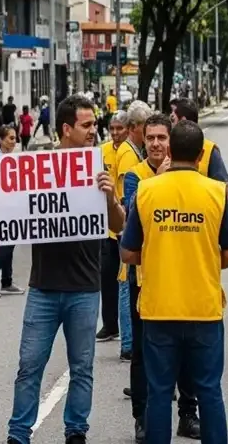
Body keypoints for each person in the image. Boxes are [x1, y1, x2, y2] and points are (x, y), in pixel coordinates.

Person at [6, 94, 124, 444]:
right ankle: (18, 434)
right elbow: (14, 213)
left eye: (94, 125)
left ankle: (76, 432)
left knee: (82, 369)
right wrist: (1, 193)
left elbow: (119, 225)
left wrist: (110, 198)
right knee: (29, 368)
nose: (94, 131)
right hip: (43, 287)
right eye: (86, 125)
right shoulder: (38, 166)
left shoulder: (98, 168)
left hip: (85, 288)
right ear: (65, 129)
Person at [122, 119, 228, 444]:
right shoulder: (216, 193)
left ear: (170, 151)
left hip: (159, 310)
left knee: (159, 392)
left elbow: (128, 253)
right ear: (202, 154)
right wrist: (201, 258)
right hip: (204, 309)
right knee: (209, 391)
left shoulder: (147, 191)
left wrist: (161, 252)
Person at [121, 113, 200, 440]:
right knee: (142, 351)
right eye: (150, 138)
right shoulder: (134, 176)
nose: (155, 144)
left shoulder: (189, 173)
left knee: (187, 350)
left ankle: (187, 413)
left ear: (171, 142)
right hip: (145, 277)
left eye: (161, 138)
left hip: (184, 273)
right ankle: (142, 417)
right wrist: (160, 183)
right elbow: (132, 222)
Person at [99, 111, 129, 356]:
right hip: (106, 227)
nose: (116, 133)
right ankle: (110, 324)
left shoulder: (129, 153)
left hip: (124, 222)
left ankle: (126, 333)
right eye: (113, 128)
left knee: (124, 280)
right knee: (106, 277)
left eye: (120, 128)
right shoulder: (103, 151)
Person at [0, 125, 24, 298]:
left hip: (10, 206)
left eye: (15, 138)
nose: (14, 141)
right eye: (10, 138)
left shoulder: (8, 159)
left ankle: (6, 282)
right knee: (5, 244)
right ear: (0, 140)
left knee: (11, 240)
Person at [168, 99, 228, 196]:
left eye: (172, 119)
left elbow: (225, 188)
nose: (170, 125)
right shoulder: (163, 146)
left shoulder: (209, 150)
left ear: (183, 121)